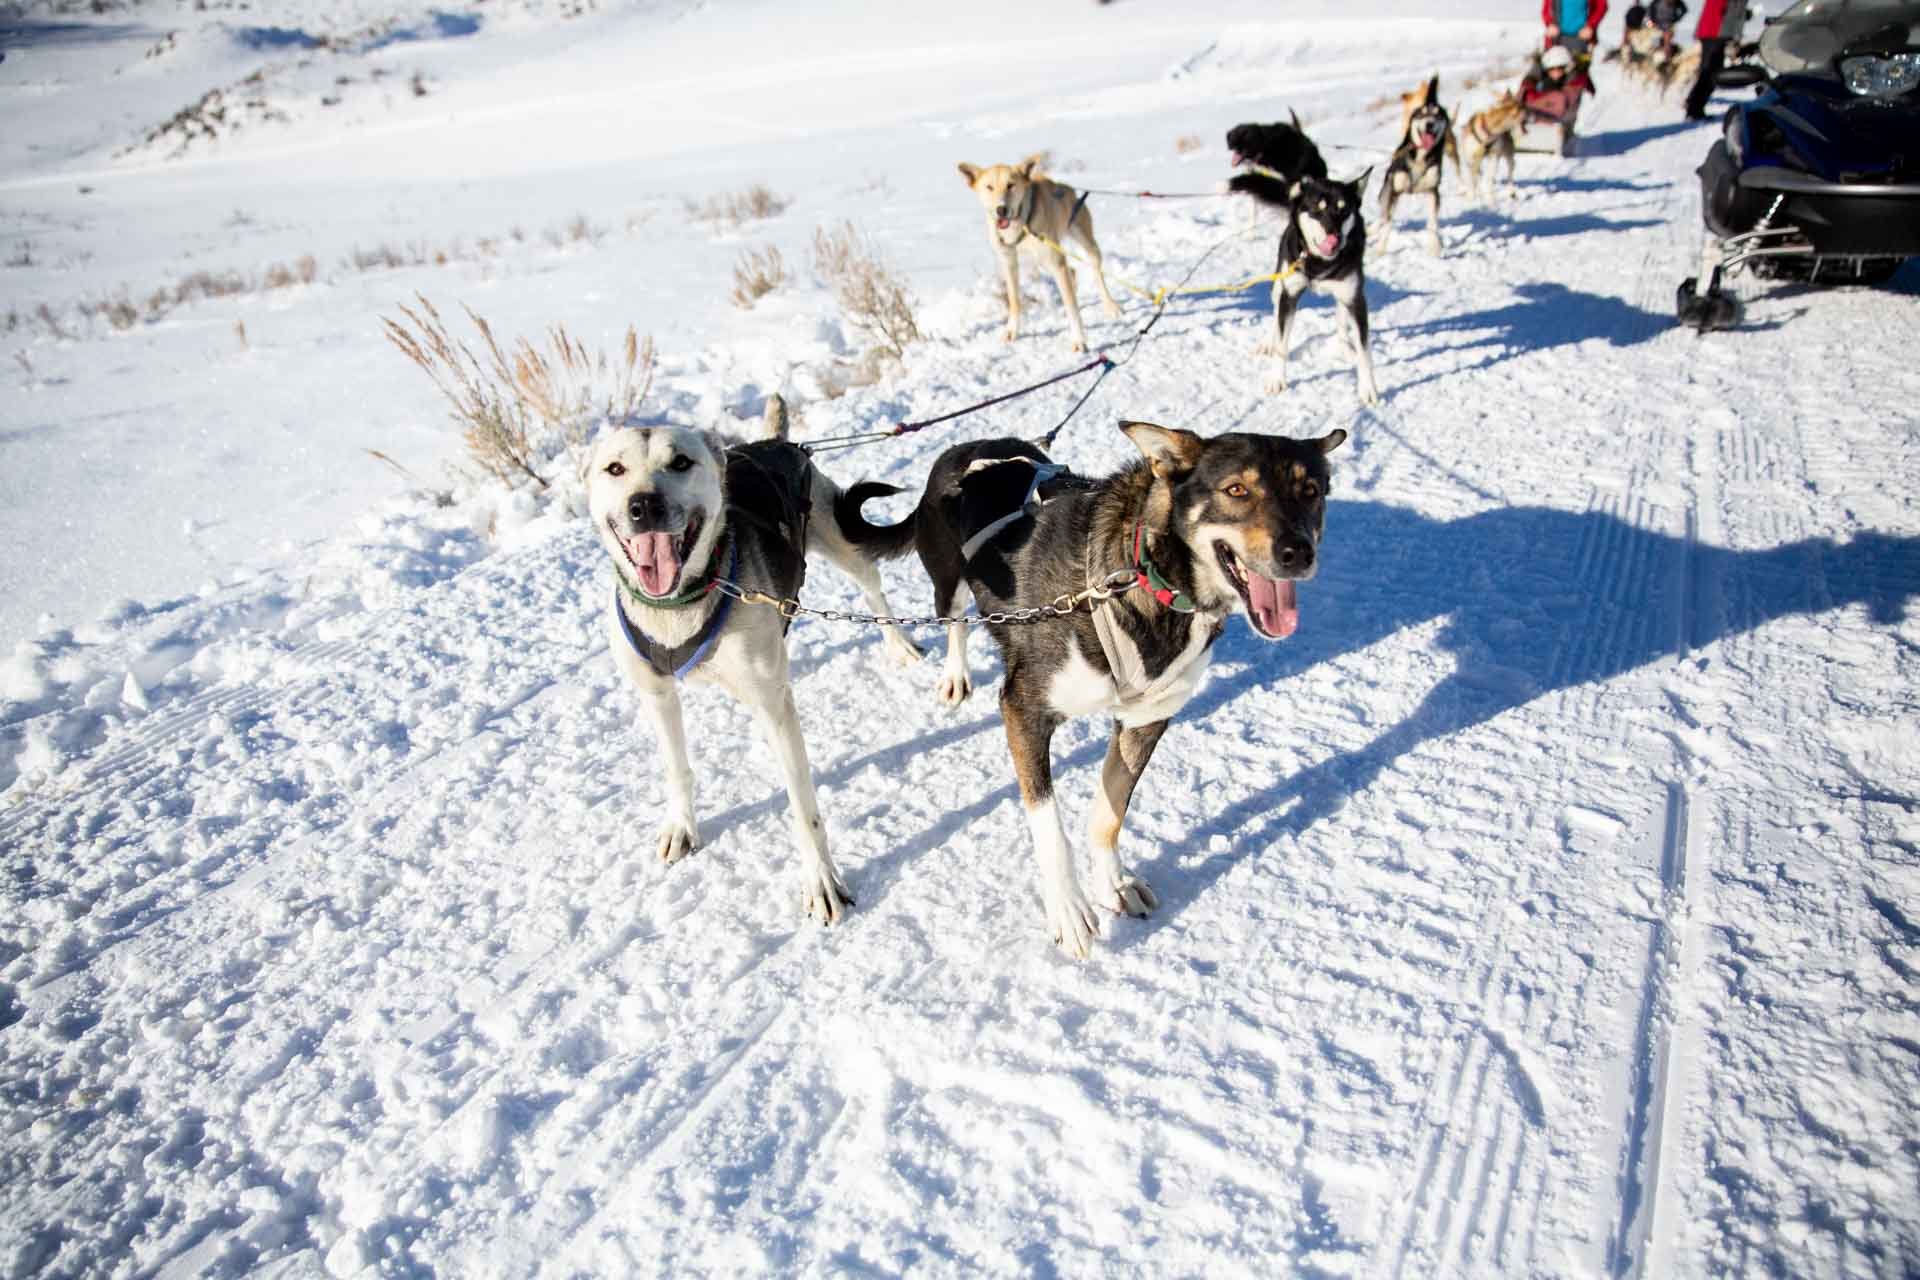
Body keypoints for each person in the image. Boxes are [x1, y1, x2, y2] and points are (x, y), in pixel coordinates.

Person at [1685, 0, 1750, 120]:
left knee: (1709, 71)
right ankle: (1694, 109)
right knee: (1711, 72)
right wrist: (1736, 35)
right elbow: (1735, 11)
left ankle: (1693, 105)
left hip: (1711, 30)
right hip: (1716, 31)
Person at [1544, 0, 1609, 56]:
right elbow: (1547, 8)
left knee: (1578, 68)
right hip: (1556, 38)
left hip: (1581, 38)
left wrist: (1590, 26)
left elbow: (1601, 6)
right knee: (1552, 66)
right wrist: (1550, 23)